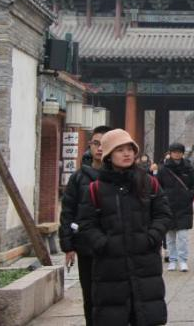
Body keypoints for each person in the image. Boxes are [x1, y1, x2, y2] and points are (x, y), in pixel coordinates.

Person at [77, 128, 172, 326]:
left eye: (130, 149)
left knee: (145, 317)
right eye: (120, 150)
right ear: (108, 155)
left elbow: (163, 215)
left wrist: (151, 237)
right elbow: (86, 223)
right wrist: (103, 244)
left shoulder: (149, 183)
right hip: (110, 267)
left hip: (145, 263)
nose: (127, 154)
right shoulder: (95, 189)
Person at [59, 125, 111, 326]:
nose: (100, 148)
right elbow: (68, 211)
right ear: (90, 145)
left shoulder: (121, 176)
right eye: (96, 143)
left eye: (105, 144)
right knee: (90, 294)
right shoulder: (78, 177)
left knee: (113, 296)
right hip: (86, 246)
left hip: (113, 245)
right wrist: (68, 246)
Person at [157, 142, 194, 272]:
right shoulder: (163, 169)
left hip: (184, 207)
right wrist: (163, 199)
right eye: (174, 152)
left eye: (179, 152)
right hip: (168, 207)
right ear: (170, 153)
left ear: (182, 153)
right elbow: (158, 186)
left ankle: (183, 260)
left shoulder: (188, 168)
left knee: (183, 236)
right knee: (170, 237)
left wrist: (189, 196)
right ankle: (172, 260)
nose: (177, 154)